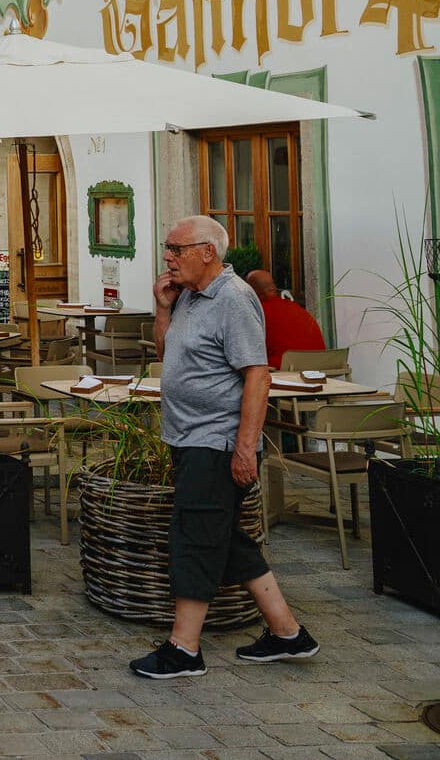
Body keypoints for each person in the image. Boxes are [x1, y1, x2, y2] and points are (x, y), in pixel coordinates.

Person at [130, 215, 316, 680]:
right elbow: (166, 356)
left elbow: (258, 374)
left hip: (215, 442)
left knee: (194, 538)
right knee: (225, 537)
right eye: (167, 248)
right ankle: (288, 632)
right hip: (188, 438)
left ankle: (184, 649)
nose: (167, 257)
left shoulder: (233, 299)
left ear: (207, 251)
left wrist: (243, 449)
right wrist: (162, 309)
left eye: (176, 248)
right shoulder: (189, 295)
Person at [245, 270, 326, 370]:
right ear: (274, 287)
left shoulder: (258, 312)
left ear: (251, 291)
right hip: (320, 368)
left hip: (283, 372)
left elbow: (247, 351)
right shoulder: (297, 308)